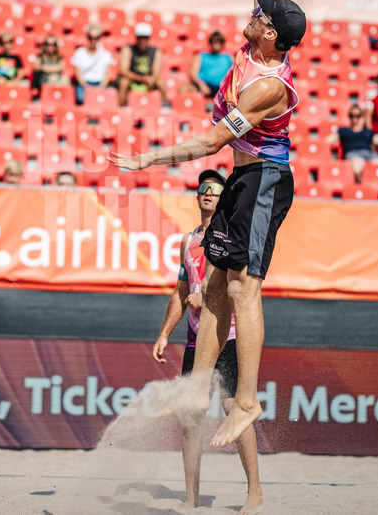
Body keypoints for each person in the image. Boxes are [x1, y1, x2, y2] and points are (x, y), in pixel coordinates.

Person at [110, 0, 304, 448]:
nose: (253, 14)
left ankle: (246, 400)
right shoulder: (257, 40)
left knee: (245, 288)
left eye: (261, 19)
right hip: (247, 181)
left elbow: (212, 143)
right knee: (215, 284)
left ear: (272, 38)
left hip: (265, 180)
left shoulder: (269, 84)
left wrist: (149, 159)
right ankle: (199, 388)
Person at [152, 169, 262, 512]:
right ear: (197, 195)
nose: (208, 193)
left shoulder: (231, 233)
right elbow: (181, 290)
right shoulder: (189, 240)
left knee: (235, 410)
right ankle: (191, 497)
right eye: (203, 188)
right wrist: (164, 332)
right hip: (196, 339)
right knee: (191, 417)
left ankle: (254, 493)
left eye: (215, 189)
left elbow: (234, 288)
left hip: (227, 335)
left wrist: (205, 297)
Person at [326, 105, 378, 182]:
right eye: (352, 115)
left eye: (357, 116)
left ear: (361, 116)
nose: (354, 118)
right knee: (357, 166)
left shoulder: (367, 132)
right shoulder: (343, 131)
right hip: (353, 154)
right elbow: (327, 141)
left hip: (369, 154)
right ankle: (360, 189)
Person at [117, 22, 168, 107]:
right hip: (132, 79)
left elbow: (156, 73)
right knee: (123, 82)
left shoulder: (156, 51)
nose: (143, 41)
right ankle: (121, 109)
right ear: (137, 38)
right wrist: (141, 78)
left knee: (161, 84)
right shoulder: (128, 49)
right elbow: (123, 71)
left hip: (148, 80)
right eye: (140, 38)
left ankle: (164, 108)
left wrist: (149, 79)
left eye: (145, 38)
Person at [70, 24, 116, 104]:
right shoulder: (80, 52)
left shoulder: (105, 54)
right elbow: (78, 74)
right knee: (81, 98)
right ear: (87, 37)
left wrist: (100, 87)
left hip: (100, 84)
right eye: (91, 37)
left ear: (99, 38)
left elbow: (107, 75)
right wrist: (86, 87)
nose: (93, 40)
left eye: (96, 38)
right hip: (84, 84)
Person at [187, 31, 233, 98]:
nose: (217, 44)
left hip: (222, 88)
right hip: (204, 86)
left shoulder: (229, 57)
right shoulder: (200, 55)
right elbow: (192, 73)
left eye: (219, 41)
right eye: (214, 41)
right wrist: (201, 85)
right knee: (186, 89)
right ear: (210, 42)